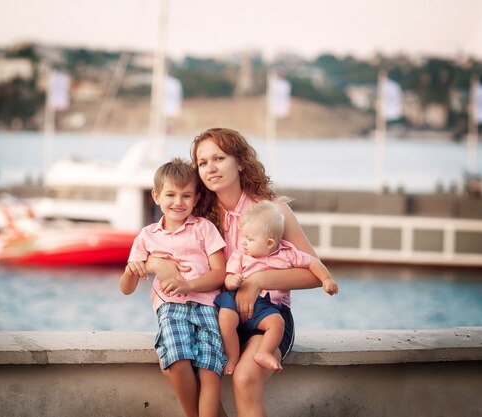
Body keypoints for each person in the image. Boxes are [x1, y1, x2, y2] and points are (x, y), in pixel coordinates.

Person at [146, 127, 331, 417]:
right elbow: (149, 248)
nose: (210, 168)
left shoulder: (273, 210)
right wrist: (156, 264)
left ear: (240, 162)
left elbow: (314, 273)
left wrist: (258, 280)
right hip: (218, 317)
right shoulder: (197, 214)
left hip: (267, 317)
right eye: (203, 163)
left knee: (245, 379)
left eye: (219, 158)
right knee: (179, 365)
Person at [119, 157, 228, 417]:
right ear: (156, 196)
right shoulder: (147, 237)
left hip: (207, 307)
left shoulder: (204, 228)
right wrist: (131, 270)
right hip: (171, 308)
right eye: (170, 194)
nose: (178, 202)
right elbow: (126, 288)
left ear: (197, 198)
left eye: (186, 195)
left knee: (210, 370)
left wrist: (187, 284)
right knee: (177, 360)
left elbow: (221, 273)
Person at [215, 200, 338, 375]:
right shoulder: (240, 255)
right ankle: (232, 357)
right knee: (225, 318)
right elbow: (228, 278)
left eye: (249, 239)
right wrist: (232, 281)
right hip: (237, 300)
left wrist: (327, 279)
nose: (243, 242)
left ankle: (264, 352)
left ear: (270, 243)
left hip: (266, 305)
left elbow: (312, 262)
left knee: (277, 323)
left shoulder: (287, 254)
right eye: (243, 236)